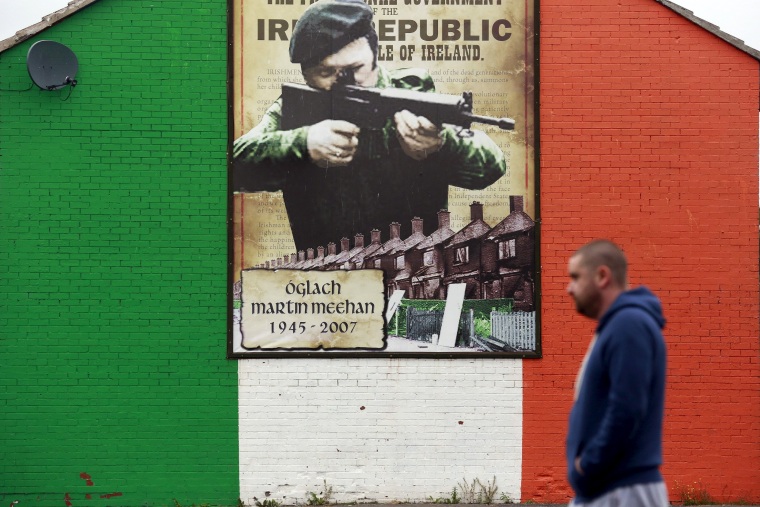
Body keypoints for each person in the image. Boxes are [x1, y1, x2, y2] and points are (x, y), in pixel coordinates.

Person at [232, 0, 506, 253]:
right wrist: (303, 144)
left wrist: (443, 145)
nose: (346, 83)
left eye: (356, 68)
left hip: (416, 268)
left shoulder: (412, 93)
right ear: (306, 75)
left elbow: (492, 166)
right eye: (327, 73)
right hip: (326, 280)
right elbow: (233, 167)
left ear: (375, 55)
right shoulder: (295, 110)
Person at [565, 240, 668, 507]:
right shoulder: (617, 325)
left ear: (602, 276)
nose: (569, 288)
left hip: (622, 491)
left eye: (575, 277)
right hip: (607, 488)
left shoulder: (628, 324)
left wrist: (588, 464)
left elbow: (627, 408)